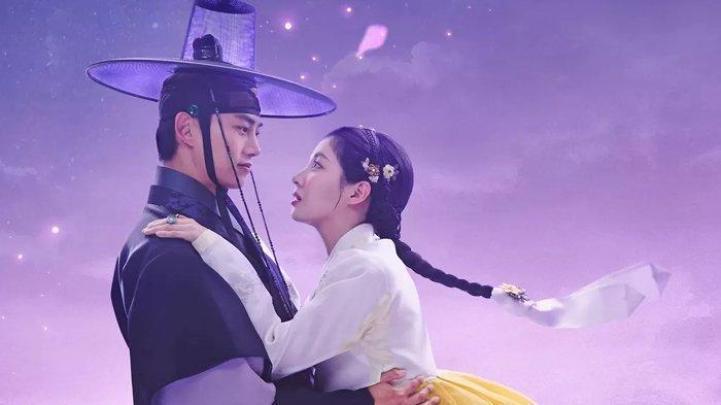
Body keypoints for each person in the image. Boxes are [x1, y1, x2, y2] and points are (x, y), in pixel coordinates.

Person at [89, 1, 437, 404]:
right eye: (242, 129)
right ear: (186, 129)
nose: (255, 148)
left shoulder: (215, 229)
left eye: (258, 132)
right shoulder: (168, 250)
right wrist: (365, 401)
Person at [144, 127, 538, 404]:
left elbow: (279, 355)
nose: (299, 177)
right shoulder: (363, 259)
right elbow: (302, 316)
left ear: (357, 191)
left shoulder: (365, 269)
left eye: (317, 165)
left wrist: (213, 244)